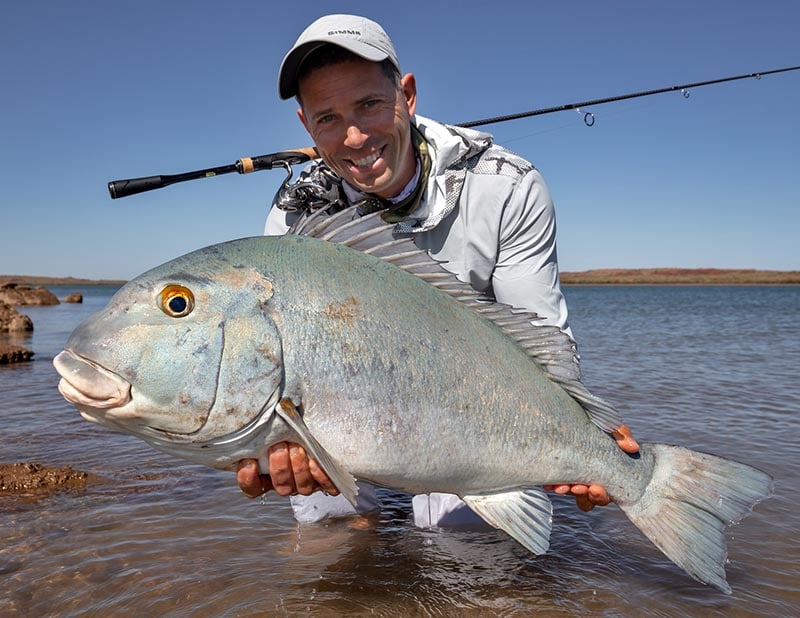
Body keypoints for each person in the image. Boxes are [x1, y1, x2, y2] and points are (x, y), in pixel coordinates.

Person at [237, 14, 639, 524]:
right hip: (350, 423)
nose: (355, 136)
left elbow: (542, 344)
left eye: (369, 105)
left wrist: (585, 435)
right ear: (304, 125)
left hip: (473, 416)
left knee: (467, 552)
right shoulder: (297, 213)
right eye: (328, 118)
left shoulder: (508, 186)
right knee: (326, 535)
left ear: (407, 95)